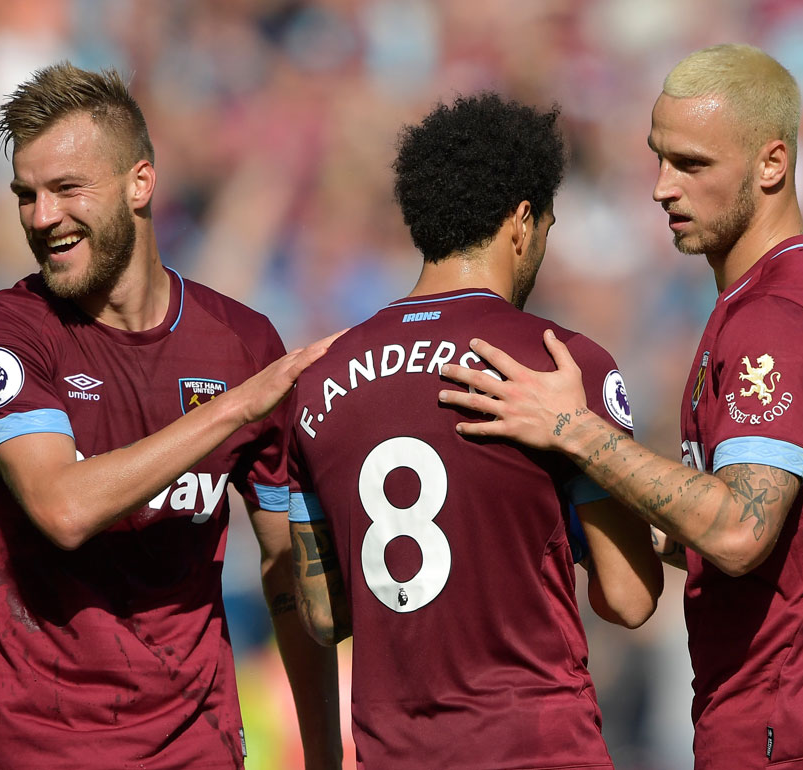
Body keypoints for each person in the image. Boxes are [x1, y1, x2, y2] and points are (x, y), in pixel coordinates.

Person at [438, 44, 803, 769]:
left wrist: (572, 428)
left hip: (799, 735)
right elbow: (783, 542)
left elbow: (738, 530)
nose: (662, 188)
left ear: (772, 164)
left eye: (694, 165)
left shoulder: (778, 317)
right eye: (659, 158)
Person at [0, 63, 340, 769]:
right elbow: (63, 508)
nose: (42, 217)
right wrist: (235, 408)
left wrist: (323, 756)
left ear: (140, 183)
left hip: (197, 749)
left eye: (68, 189)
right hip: (35, 752)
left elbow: (285, 571)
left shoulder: (241, 343)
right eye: (26, 195)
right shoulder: (0, 335)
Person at [286, 93, 663, 769]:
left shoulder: (319, 382)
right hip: (536, 747)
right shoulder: (559, 367)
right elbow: (630, 599)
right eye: (547, 223)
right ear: (522, 221)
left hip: (392, 752)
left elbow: (322, 612)